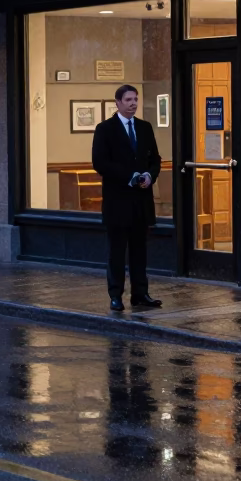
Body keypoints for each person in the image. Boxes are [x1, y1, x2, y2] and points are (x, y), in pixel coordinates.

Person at [92, 84, 163, 311]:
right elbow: (100, 162)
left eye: (135, 99)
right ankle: (116, 295)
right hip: (117, 201)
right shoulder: (105, 129)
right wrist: (128, 176)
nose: (133, 104)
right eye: (128, 100)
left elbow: (155, 159)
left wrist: (150, 175)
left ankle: (140, 294)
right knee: (117, 252)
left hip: (141, 201)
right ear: (118, 103)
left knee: (139, 251)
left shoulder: (144, 127)